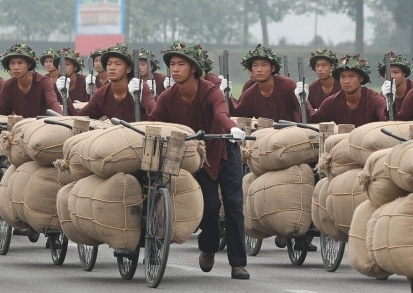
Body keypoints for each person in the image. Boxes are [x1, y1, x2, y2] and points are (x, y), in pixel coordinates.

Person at [149, 42, 249, 280]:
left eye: (181, 64)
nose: (175, 69)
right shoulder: (167, 97)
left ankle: (238, 264)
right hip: (198, 155)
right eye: (172, 64)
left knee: (234, 206)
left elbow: (220, 112)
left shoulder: (210, 90)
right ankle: (208, 247)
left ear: (193, 68)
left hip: (224, 148)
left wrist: (232, 129)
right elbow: (152, 121)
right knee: (211, 205)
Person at [75, 43, 155, 120]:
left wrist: (140, 102)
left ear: (128, 69)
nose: (112, 68)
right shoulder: (102, 94)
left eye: (118, 64)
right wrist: (65, 94)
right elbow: (81, 117)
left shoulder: (140, 87)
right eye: (109, 64)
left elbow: (155, 117)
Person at [305, 55, 388, 126]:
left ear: (361, 78)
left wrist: (390, 103)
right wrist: (304, 101)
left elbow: (388, 122)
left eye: (351, 76)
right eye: (342, 77)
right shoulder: (331, 102)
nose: (346, 81)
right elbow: (312, 121)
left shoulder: (375, 99)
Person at [0, 43, 63, 118]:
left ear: (29, 65)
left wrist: (62, 119)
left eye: (20, 63)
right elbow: (0, 113)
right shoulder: (8, 85)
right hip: (21, 126)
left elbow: (52, 103)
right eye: (12, 63)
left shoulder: (44, 82)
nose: (16, 67)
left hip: (43, 125)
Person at [233, 44, 300, 122]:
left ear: (273, 68)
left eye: (264, 65)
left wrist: (302, 99)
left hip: (291, 131)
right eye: (255, 65)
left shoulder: (288, 85)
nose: (259, 69)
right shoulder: (249, 94)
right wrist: (227, 95)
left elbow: (306, 114)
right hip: (265, 133)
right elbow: (237, 116)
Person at [378, 52, 413, 116]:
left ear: (403, 75)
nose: (391, 76)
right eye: (387, 73)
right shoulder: (383, 95)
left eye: (396, 72)